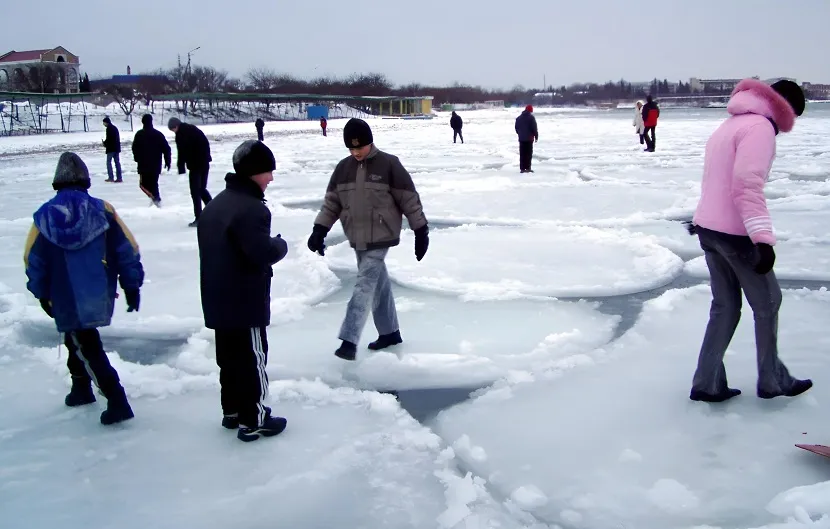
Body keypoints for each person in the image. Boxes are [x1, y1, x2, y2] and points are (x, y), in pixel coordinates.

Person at [686, 79, 811, 403]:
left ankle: (707, 382)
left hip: (709, 228)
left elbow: (714, 180)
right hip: (735, 233)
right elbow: (746, 185)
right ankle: (772, 380)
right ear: (786, 109)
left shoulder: (729, 125)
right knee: (768, 302)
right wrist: (762, 240)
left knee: (725, 306)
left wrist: (704, 219)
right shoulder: (759, 129)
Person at [24, 152, 144, 425]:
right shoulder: (104, 210)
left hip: (64, 293)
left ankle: (117, 400)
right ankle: (80, 388)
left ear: (57, 183)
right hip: (96, 291)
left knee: (85, 343)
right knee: (77, 338)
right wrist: (131, 285)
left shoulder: (44, 216)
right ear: (86, 180)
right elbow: (127, 249)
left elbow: (33, 260)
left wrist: (41, 292)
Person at [307, 118, 429, 361]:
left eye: (359, 147)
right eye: (351, 149)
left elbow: (409, 199)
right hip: (357, 235)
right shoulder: (343, 169)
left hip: (382, 235)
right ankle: (390, 333)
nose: (356, 152)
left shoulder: (388, 164)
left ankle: (349, 340)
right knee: (378, 286)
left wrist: (421, 230)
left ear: (369, 142)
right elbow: (332, 203)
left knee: (364, 285)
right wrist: (319, 229)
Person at [197, 140, 289, 442]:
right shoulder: (251, 210)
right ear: (253, 173)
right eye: (268, 172)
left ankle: (233, 411)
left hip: (217, 298)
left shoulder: (216, 205)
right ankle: (256, 418)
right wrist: (279, 244)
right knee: (252, 358)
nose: (271, 179)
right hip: (244, 300)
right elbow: (259, 252)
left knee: (229, 358)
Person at [168, 117, 213, 227]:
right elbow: (205, 143)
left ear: (176, 126)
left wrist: (181, 167)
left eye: (172, 129)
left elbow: (182, 151)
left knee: (195, 192)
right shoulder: (193, 129)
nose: (173, 132)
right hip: (204, 163)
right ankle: (214, 211)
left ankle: (199, 217)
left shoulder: (181, 135)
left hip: (195, 165)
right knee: (202, 189)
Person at [132, 114, 171, 207]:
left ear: (142, 122)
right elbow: (166, 149)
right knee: (153, 183)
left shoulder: (139, 134)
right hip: (156, 164)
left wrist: (137, 158)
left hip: (143, 165)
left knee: (143, 185)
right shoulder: (158, 134)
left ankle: (155, 199)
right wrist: (167, 161)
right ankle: (155, 200)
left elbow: (134, 148)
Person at [515, 105, 538, 173]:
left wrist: (520, 134)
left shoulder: (518, 118)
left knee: (522, 154)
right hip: (529, 139)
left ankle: (522, 168)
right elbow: (534, 128)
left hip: (521, 139)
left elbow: (516, 128)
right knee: (528, 154)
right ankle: (528, 168)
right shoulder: (531, 118)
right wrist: (536, 136)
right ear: (530, 110)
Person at [102, 117, 122, 182]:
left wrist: (104, 143)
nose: (103, 124)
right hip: (116, 148)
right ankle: (119, 178)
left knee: (109, 163)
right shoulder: (114, 128)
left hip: (111, 149)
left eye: (104, 122)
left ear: (106, 122)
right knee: (117, 163)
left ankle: (111, 177)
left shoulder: (109, 129)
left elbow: (109, 139)